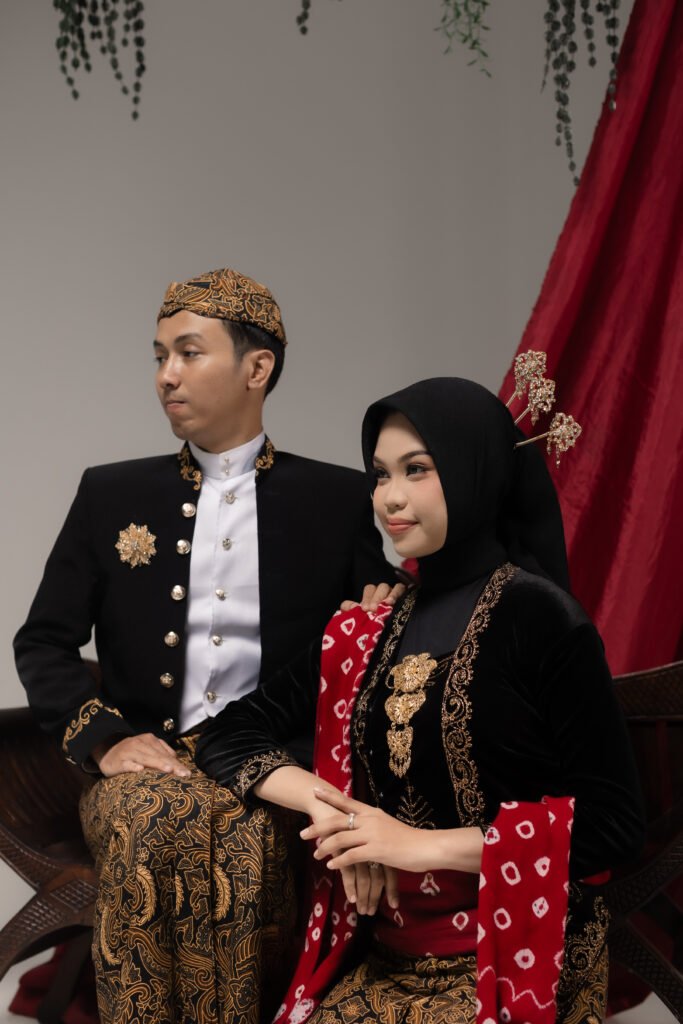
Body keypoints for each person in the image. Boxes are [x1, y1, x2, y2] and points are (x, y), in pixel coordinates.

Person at [195, 376, 644, 1024]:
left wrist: (416, 846)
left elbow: (612, 825)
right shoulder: (370, 628)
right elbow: (226, 734)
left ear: (475, 473)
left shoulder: (540, 619)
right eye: (379, 474)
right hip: (385, 957)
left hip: (516, 953)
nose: (389, 497)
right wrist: (340, 815)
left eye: (416, 470)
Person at [13, 267, 397, 1024]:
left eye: (189, 353)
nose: (166, 375)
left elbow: (376, 632)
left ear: (257, 368)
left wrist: (384, 611)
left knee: (248, 840)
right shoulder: (110, 494)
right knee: (149, 817)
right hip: (144, 764)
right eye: (160, 356)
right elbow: (44, 641)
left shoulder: (335, 501)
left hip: (271, 767)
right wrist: (104, 741)